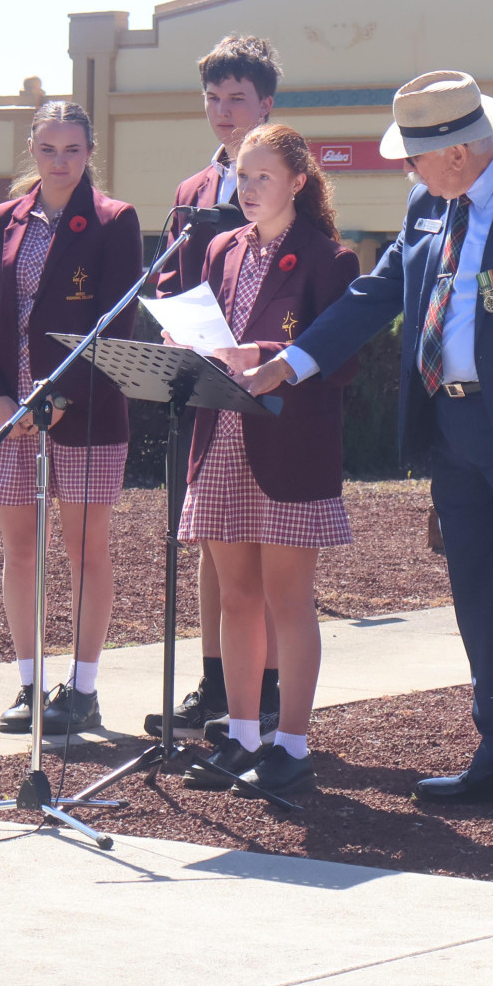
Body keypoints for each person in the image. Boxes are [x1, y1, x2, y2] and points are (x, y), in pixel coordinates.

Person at [243, 70, 493, 828]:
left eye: (412, 156)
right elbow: (376, 296)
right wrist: (293, 361)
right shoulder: (429, 203)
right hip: (457, 434)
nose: (404, 170)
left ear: (455, 151)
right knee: (480, 605)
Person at [169, 123, 362, 797]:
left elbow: (343, 359)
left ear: (298, 182)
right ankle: (243, 736)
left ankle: (293, 745)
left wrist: (263, 358)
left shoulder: (328, 259)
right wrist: (183, 340)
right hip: (218, 434)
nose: (248, 190)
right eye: (241, 177)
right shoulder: (219, 248)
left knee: (286, 599)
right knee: (238, 597)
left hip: (289, 449)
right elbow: (211, 331)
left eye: (263, 177)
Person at [0, 99, 144, 738]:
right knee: (20, 551)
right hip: (7, 416)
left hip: (85, 413)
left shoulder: (115, 221)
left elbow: (116, 322)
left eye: (72, 150)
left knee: (85, 551)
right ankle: (31, 686)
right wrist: (1, 403)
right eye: (48, 149)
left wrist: (60, 398)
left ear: (90, 152)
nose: (60, 161)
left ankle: (84, 690)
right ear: (31, 152)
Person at [144, 34, 284, 743]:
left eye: (238, 98)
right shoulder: (192, 193)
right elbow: (171, 281)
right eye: (214, 98)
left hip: (266, 385)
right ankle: (217, 682)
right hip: (202, 385)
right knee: (209, 538)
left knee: (270, 545)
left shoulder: (291, 179)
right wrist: (175, 326)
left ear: (267, 102)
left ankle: (269, 689)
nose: (224, 112)